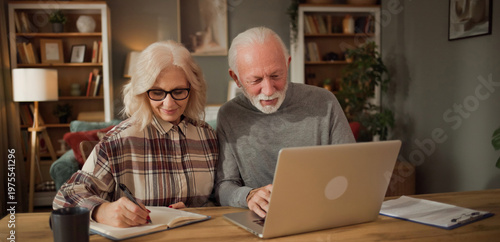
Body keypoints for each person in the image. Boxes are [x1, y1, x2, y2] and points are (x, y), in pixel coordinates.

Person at [53, 41, 218, 228]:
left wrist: (197, 211)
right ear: (142, 91)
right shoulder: (119, 140)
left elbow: (219, 197)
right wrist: (101, 211)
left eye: (178, 91)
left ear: (193, 88)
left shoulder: (208, 137)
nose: (169, 103)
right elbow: (64, 197)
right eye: (157, 92)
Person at [214, 27, 355, 218]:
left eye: (276, 76)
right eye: (255, 80)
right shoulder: (229, 115)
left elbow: (352, 169)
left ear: (287, 65)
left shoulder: (325, 102)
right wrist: (248, 196)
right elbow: (224, 186)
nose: (269, 89)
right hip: (262, 218)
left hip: (323, 213)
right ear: (236, 78)